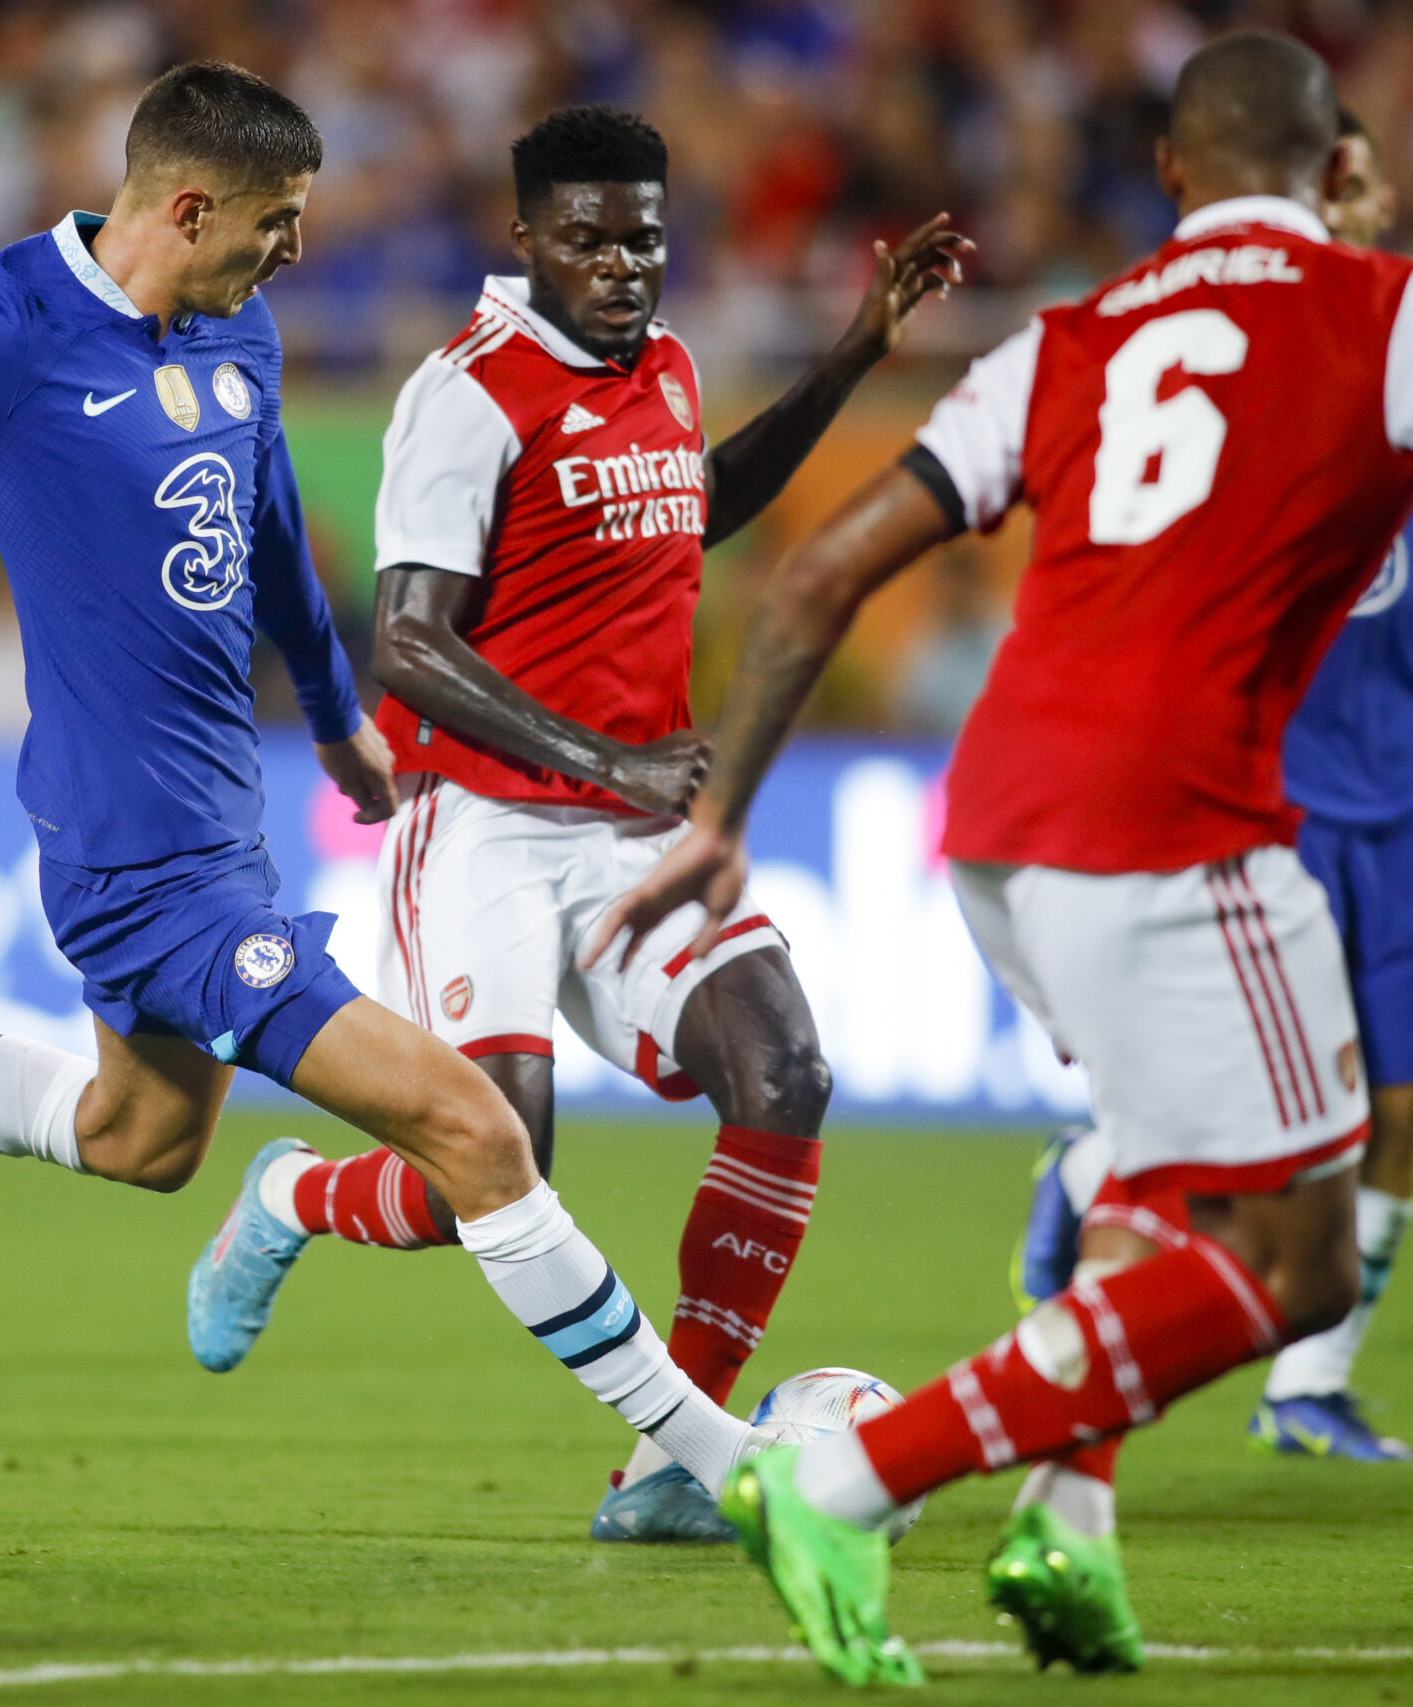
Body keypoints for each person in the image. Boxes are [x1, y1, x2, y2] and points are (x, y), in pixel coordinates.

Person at [591, 30, 1413, 1686]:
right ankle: (844, 1485)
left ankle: (1066, 1531)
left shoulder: (1066, 341)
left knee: (1169, 1190)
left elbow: (817, 575)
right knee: (1294, 1259)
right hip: (1174, 826)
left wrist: (724, 818)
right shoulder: (1398, 314)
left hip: (998, 825)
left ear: (1168, 176)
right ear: (1333, 172)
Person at [0, 62, 765, 1505]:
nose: (294, 249)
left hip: (220, 837)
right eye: (276, 221)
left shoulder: (244, 331)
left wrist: (336, 716)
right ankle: (732, 1471)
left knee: (141, 1139)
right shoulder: (15, 335)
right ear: (187, 204)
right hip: (135, 861)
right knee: (477, 1131)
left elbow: (277, 521)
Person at [181, 104, 969, 1544]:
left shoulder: (664, 365)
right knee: (501, 1162)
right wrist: (610, 755)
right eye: (589, 239)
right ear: (526, 236)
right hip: (478, 823)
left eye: (644, 239)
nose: (622, 266)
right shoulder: (467, 394)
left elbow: (698, 503)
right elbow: (407, 643)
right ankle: (294, 1197)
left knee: (785, 1071)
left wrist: (853, 353)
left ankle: (673, 1468)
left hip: (625, 817)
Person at [1011, 112, 1413, 1474]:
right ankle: (1089, 1173)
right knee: (1278, 1109)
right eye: (1364, 169)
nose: (1384, 191)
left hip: (1406, 781)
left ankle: (1313, 1382)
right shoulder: (1230, 348)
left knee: (1405, 1095)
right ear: (1322, 180)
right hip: (1270, 778)